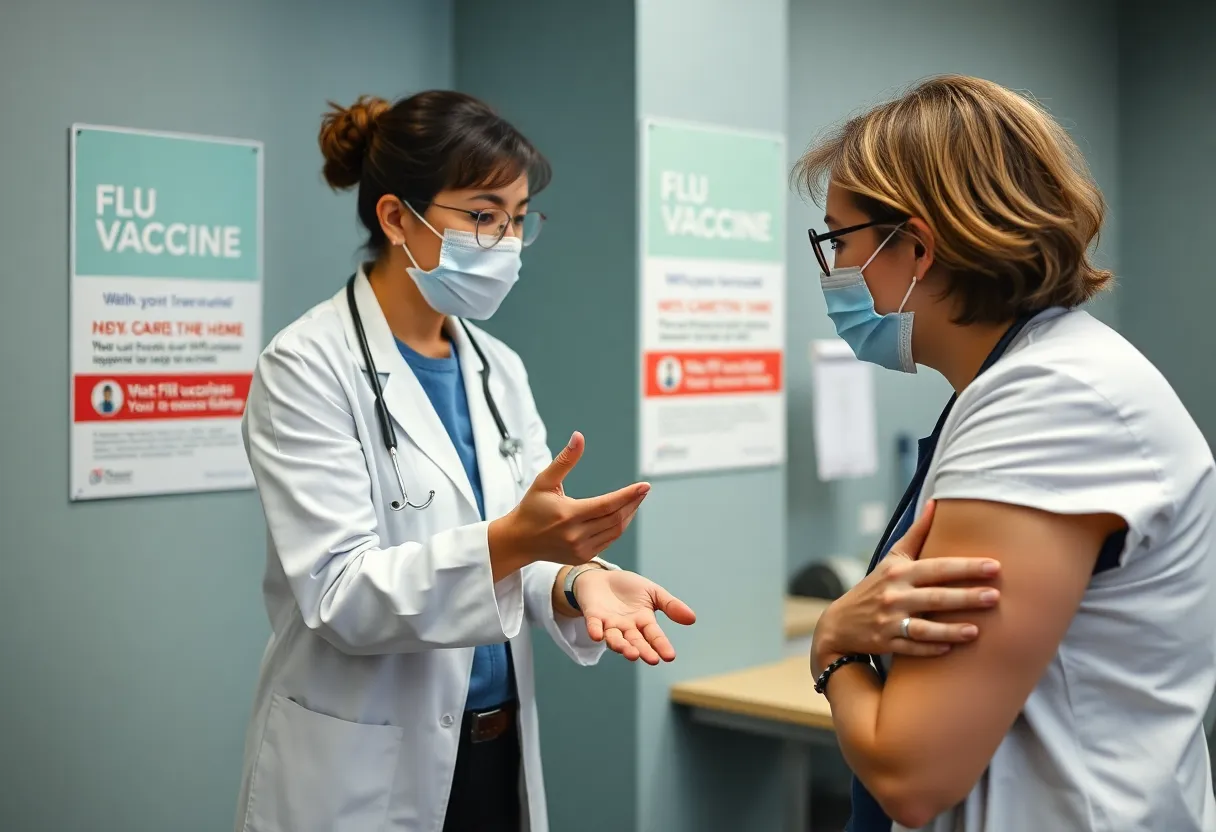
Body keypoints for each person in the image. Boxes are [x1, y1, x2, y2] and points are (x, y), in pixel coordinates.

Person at [233, 91, 696, 832]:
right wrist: (521, 541)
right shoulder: (305, 366)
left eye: (516, 219)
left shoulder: (497, 367)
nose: (505, 241)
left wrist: (576, 583)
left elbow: (518, 559)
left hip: (492, 746)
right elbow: (338, 594)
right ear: (395, 217)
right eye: (482, 216)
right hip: (360, 766)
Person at [796, 75, 1216, 831]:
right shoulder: (1013, 385)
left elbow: (911, 771)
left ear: (916, 247)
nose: (832, 272)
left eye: (838, 241)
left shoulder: (1053, 403)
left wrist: (832, 651)